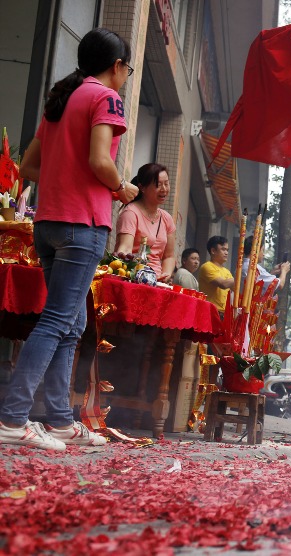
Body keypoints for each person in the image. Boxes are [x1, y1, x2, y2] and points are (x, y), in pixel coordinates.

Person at [0, 28, 139, 450]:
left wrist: (68, 175)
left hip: (48, 223)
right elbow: (100, 160)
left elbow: (28, 165)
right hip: (82, 224)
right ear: (116, 66)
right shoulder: (104, 97)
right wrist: (122, 189)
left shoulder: (63, 98)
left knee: (71, 322)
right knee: (59, 320)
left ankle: (60, 419)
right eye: (127, 69)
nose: (126, 76)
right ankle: (11, 418)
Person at [114, 163, 175, 281]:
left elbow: (169, 256)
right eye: (158, 185)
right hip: (132, 277)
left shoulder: (167, 218)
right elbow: (125, 249)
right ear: (142, 187)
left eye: (166, 184)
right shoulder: (131, 212)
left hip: (157, 281)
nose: (164, 189)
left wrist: (165, 275)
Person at [198, 236, 235, 315]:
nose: (226, 253)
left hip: (223, 313)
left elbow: (235, 288)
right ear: (213, 251)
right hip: (209, 311)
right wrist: (241, 278)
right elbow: (223, 284)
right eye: (223, 249)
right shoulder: (207, 266)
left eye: (227, 250)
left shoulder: (227, 271)